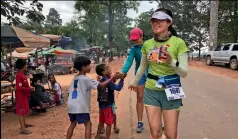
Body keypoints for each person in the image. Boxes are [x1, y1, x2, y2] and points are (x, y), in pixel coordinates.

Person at [128, 8, 189, 139]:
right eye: (153, 21)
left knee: (171, 135)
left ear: (169, 22)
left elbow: (184, 73)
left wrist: (171, 61)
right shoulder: (148, 44)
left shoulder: (179, 43)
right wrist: (134, 81)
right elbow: (142, 67)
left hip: (172, 89)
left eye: (159, 20)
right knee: (155, 133)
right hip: (151, 91)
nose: (155, 23)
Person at [66, 56, 120, 139]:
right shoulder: (86, 79)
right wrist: (112, 78)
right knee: (88, 124)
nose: (90, 66)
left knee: (73, 123)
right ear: (83, 67)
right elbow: (102, 85)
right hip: (80, 106)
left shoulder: (75, 78)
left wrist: (98, 81)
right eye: (88, 65)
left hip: (71, 105)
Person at [120, 27, 147, 133]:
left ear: (142, 36)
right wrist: (123, 72)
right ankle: (140, 122)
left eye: (136, 39)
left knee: (155, 98)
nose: (134, 41)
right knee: (140, 97)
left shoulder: (149, 45)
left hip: (152, 74)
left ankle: (159, 121)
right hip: (139, 76)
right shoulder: (133, 49)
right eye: (133, 40)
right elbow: (129, 61)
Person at [95, 64, 124, 139]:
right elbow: (118, 88)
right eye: (107, 68)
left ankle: (97, 136)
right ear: (103, 72)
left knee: (101, 123)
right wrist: (122, 80)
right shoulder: (109, 82)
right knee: (109, 123)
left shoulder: (101, 80)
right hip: (108, 105)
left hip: (102, 106)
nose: (110, 68)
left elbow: (111, 79)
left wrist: (114, 77)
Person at [15, 59, 35, 134]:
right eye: (25, 65)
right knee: (21, 112)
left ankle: (24, 124)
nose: (26, 66)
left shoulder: (22, 75)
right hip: (21, 97)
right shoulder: (19, 75)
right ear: (23, 66)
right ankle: (22, 128)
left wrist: (29, 88)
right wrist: (29, 89)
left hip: (24, 96)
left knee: (23, 111)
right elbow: (18, 87)